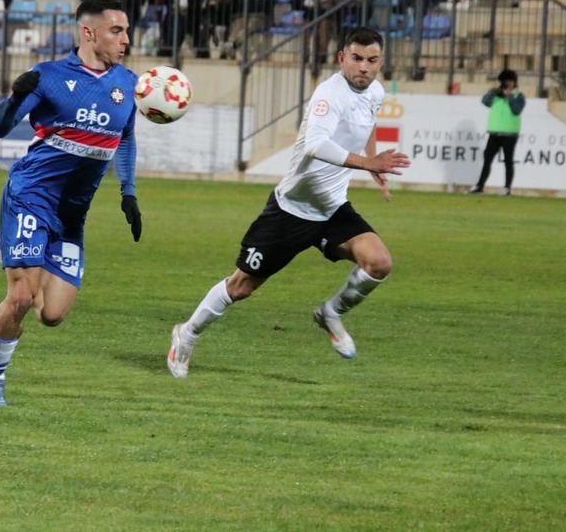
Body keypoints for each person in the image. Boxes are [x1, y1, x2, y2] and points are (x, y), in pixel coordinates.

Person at [167, 26, 410, 377]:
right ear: (342, 58)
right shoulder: (329, 94)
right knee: (242, 286)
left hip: (331, 209)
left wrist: (373, 163)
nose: (364, 67)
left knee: (379, 262)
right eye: (356, 58)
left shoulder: (374, 91)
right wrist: (367, 163)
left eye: (372, 61)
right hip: (291, 211)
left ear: (380, 62)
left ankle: (331, 313)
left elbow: (367, 125)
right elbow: (316, 144)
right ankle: (186, 334)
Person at [0, 0, 142, 406]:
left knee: (51, 314)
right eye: (117, 31)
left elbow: (127, 138)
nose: (126, 40)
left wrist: (129, 192)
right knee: (22, 298)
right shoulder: (47, 77)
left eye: (127, 31)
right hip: (30, 197)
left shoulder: (129, 84)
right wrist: (15, 97)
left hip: (71, 215)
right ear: (89, 33)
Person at [468, 69, 525, 196]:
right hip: (494, 133)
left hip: (510, 134)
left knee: (508, 161)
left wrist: (510, 95)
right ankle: (480, 186)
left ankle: (507, 187)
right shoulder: (495, 95)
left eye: (507, 82)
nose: (505, 84)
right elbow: (485, 102)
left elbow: (516, 110)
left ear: (513, 82)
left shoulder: (518, 96)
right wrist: (494, 90)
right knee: (487, 160)